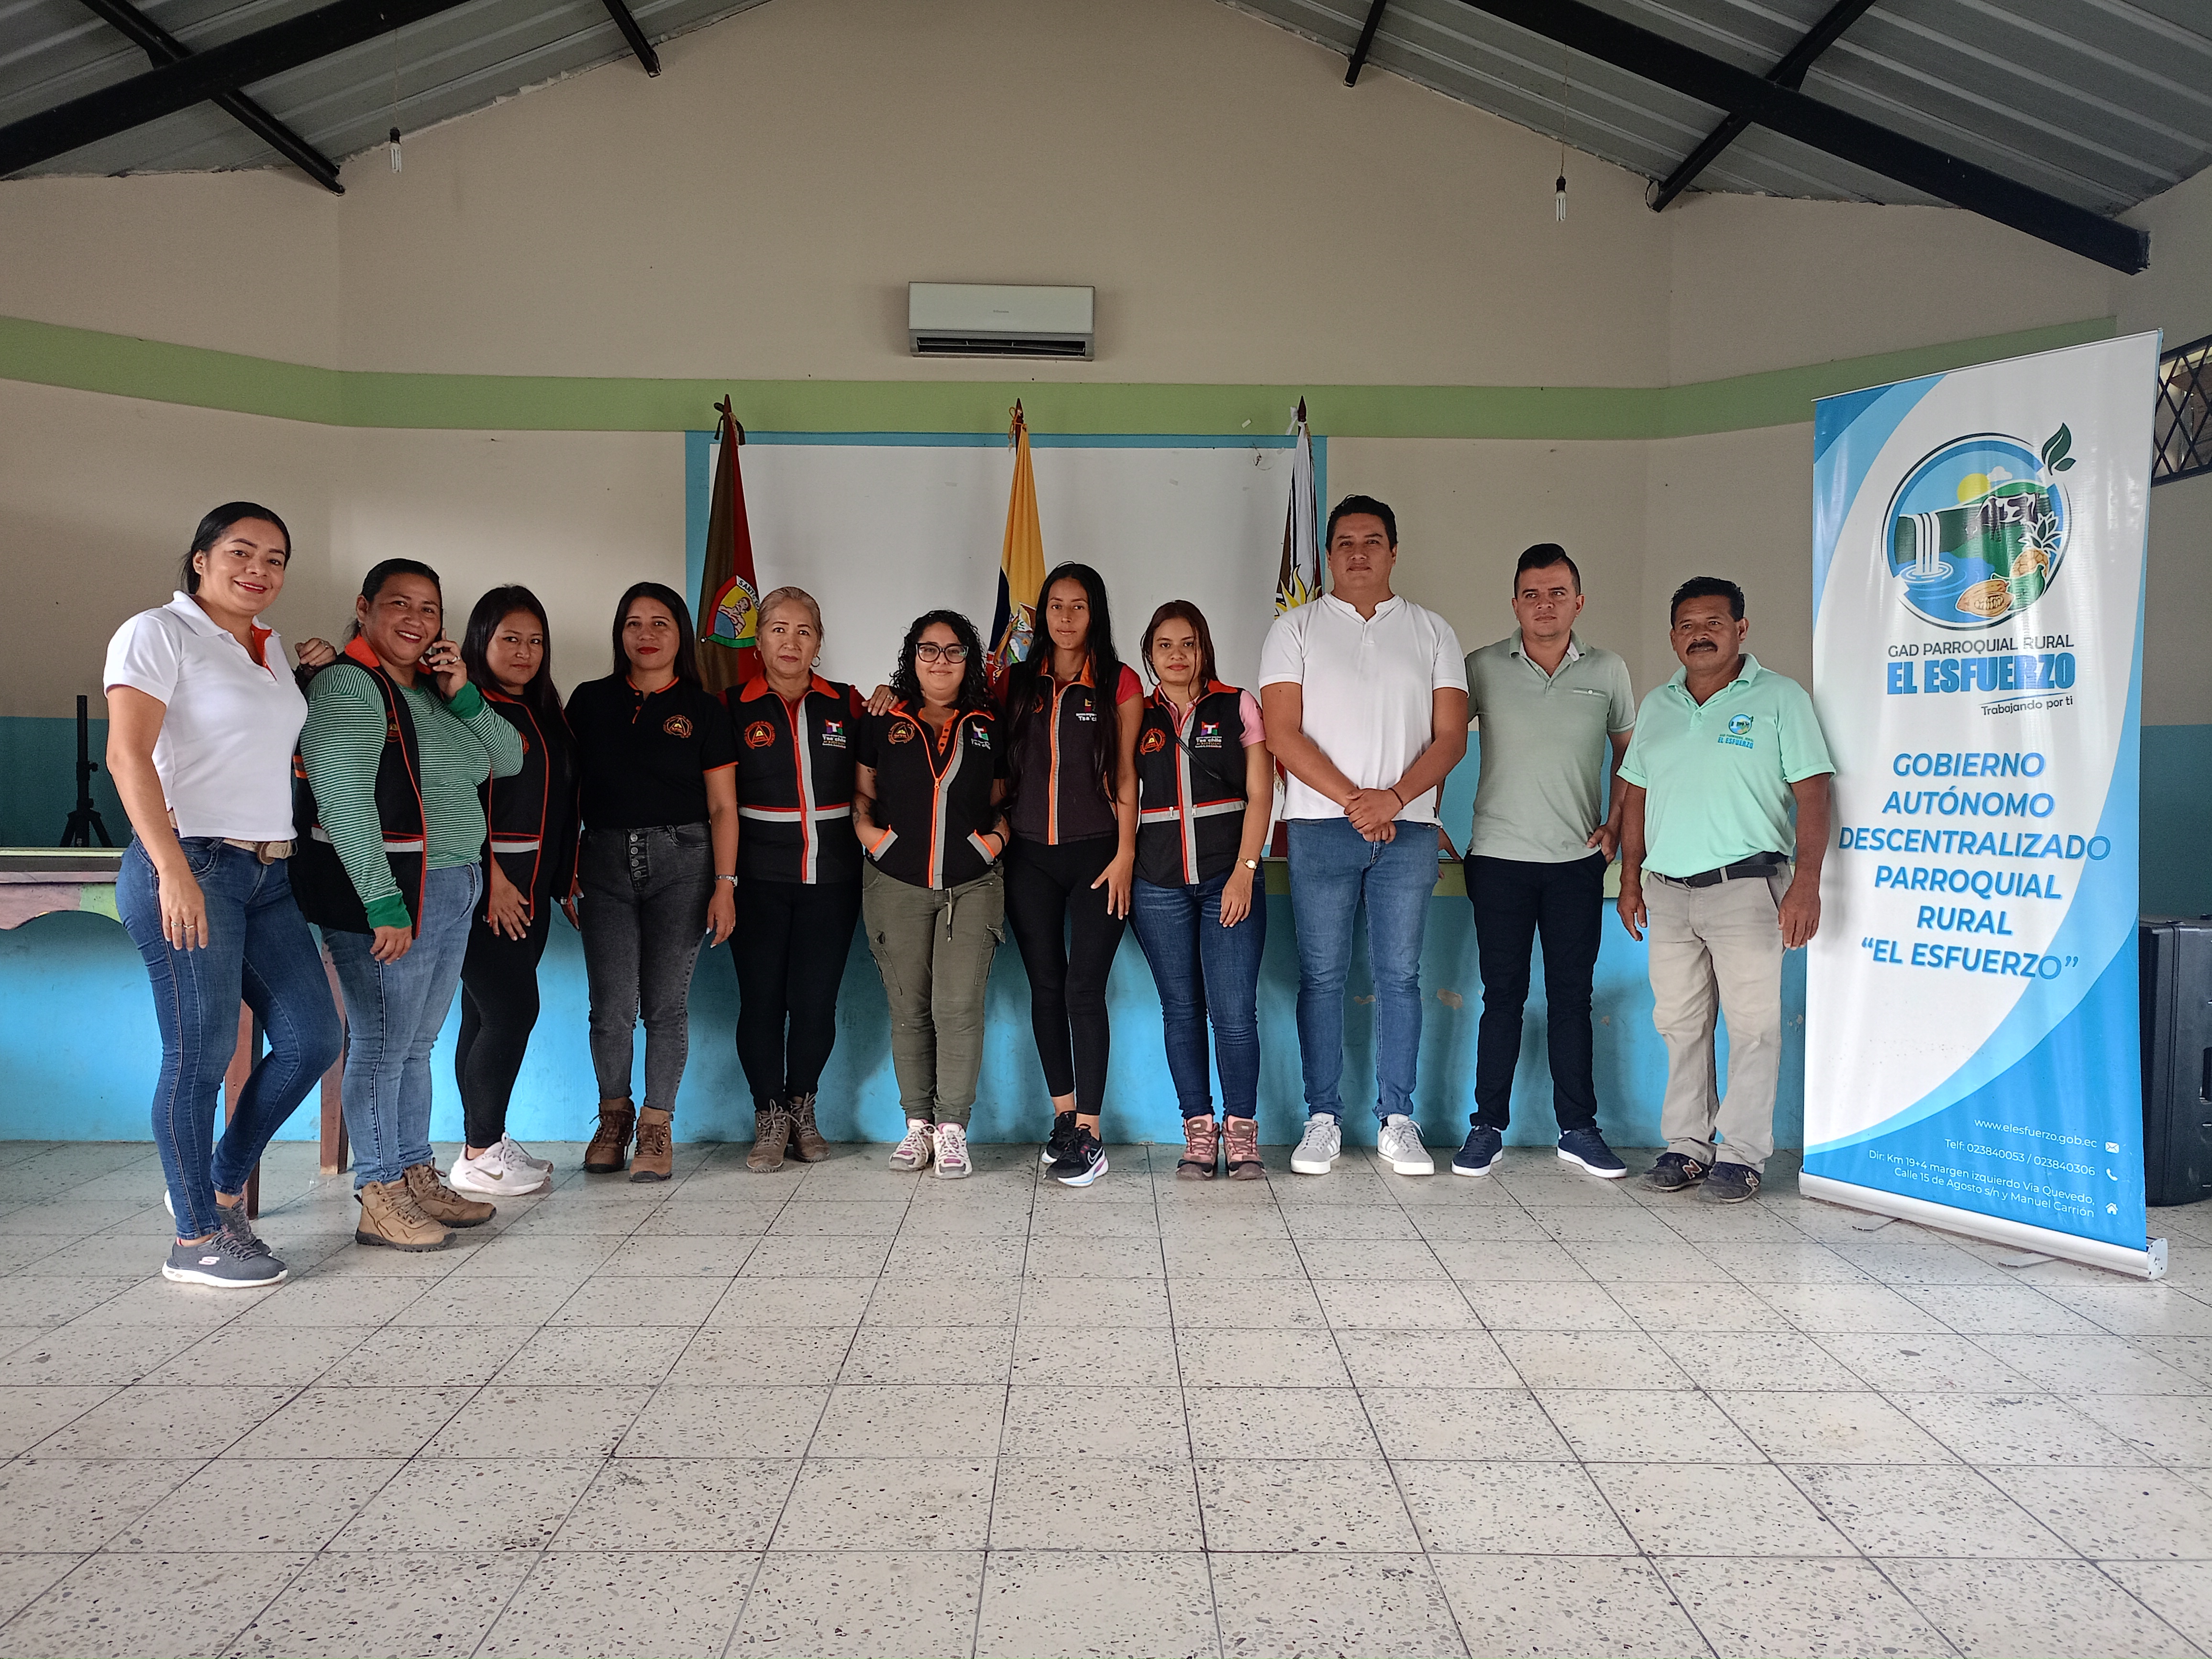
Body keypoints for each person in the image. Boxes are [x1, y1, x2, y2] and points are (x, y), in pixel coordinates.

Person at [105, 503, 343, 1287]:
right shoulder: (157, 633)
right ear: (201, 558)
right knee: (200, 1057)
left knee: (314, 1038)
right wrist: (171, 868)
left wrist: (313, 666)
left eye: (275, 559)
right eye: (241, 552)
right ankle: (195, 1239)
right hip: (193, 864)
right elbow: (128, 755)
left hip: (269, 873)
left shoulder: (268, 647)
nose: (259, 569)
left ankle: (216, 1186)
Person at [296, 558, 525, 1249]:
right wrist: (382, 901)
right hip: (395, 890)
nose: (415, 620)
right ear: (364, 607)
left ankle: (414, 1171)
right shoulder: (348, 684)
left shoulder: (428, 690)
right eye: (399, 603)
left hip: (452, 882)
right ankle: (379, 1192)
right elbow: (342, 800)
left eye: (429, 609)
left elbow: (508, 758)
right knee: (381, 1047)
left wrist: (462, 691)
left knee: (416, 1046)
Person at [1259, 494, 1468, 1178]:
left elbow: (1451, 737)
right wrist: (1357, 802)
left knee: (1400, 976)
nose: (1358, 553)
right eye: (1345, 542)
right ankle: (1321, 1118)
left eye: (1372, 541)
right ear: (1327, 555)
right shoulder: (1294, 629)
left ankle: (1397, 1119)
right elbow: (1282, 733)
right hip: (1321, 828)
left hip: (1408, 831)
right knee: (1320, 976)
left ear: (1394, 552)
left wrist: (1394, 800)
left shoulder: (1433, 631)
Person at [1615, 576, 1834, 1204]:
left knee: (1754, 1028)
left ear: (1741, 629)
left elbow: (1813, 792)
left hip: (1748, 886)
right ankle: (1688, 1146)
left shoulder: (1780, 698)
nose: (1699, 635)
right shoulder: (1658, 705)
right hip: (1668, 891)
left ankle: (1741, 1155)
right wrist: (1630, 879)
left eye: (1713, 622)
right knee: (1680, 1024)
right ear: (1672, 638)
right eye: (1686, 625)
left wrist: (1807, 883)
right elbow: (1637, 796)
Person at [1453, 545, 1637, 1180]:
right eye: (1531, 594)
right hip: (1497, 859)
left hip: (1575, 863)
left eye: (1557, 593)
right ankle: (1486, 1127)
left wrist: (1616, 826)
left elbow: (1630, 757)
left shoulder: (1608, 670)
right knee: (1502, 996)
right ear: (1515, 604)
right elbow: (1440, 743)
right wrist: (1429, 819)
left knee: (1571, 999)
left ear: (1578, 602)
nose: (1544, 604)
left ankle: (1578, 1129)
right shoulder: (1482, 667)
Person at [566, 583, 739, 1182]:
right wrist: (565, 868)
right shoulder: (589, 701)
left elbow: (723, 807)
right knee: (611, 1008)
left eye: (660, 623)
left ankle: (656, 1127)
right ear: (620, 633)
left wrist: (725, 884)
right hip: (603, 865)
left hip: (683, 865)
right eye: (634, 623)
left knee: (665, 1007)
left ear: (680, 635)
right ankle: (613, 1120)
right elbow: (566, 792)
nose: (646, 634)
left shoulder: (704, 709)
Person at [852, 610, 1011, 1181]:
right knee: (909, 1010)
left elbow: (1005, 797)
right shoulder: (883, 719)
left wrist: (994, 842)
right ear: (912, 656)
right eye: (928, 649)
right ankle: (917, 1125)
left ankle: (952, 1130)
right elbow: (862, 792)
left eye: (953, 650)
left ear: (969, 660)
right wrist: (870, 835)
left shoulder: (988, 723)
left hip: (972, 886)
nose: (940, 660)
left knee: (958, 1008)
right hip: (895, 885)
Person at [999, 564, 1142, 1189]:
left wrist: (1126, 853)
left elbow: (1127, 772)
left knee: (1084, 990)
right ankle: (1061, 1117)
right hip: (1029, 858)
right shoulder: (1016, 680)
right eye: (1055, 605)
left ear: (1095, 613)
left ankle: (1090, 1131)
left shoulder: (1118, 681)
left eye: (1077, 606)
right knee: (1046, 987)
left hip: (1098, 858)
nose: (1064, 617)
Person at [1128, 601, 1272, 1180]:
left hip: (1226, 881)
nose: (1177, 655)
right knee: (1181, 1011)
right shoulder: (1135, 714)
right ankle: (1198, 1130)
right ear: (1150, 653)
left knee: (1233, 1014)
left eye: (1188, 643)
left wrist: (1245, 869)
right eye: (1164, 645)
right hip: (1157, 886)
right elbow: (1120, 793)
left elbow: (1261, 795)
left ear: (1203, 648)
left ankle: (1241, 1132)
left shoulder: (1236, 704)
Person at [727, 587, 864, 1172]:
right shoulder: (730, 706)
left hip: (832, 879)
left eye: (804, 630)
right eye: (778, 629)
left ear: (818, 641)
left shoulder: (849, 704)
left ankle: (802, 1107)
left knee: (814, 1004)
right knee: (761, 1002)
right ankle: (769, 1115)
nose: (791, 641)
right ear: (758, 640)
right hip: (757, 880)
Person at [446, 587, 576, 1198]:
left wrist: (564, 879)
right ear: (481, 640)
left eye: (535, 641)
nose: (524, 652)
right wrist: (491, 876)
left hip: (535, 888)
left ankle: (486, 1141)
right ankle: (480, 1153)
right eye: (510, 639)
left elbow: (562, 804)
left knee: (483, 1014)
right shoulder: (465, 709)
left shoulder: (546, 712)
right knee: (512, 1011)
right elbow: (454, 801)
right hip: (486, 887)